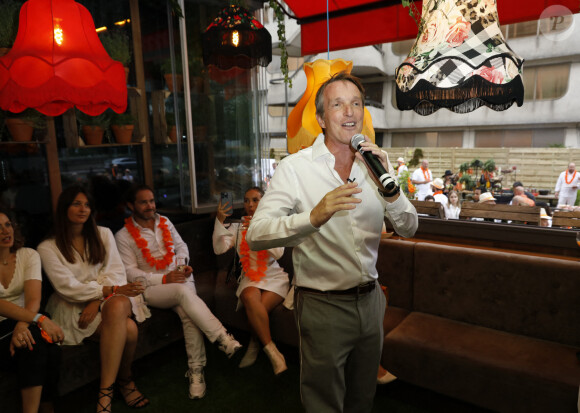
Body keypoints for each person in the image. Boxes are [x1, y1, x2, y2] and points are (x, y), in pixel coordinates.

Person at [246, 72, 418, 413]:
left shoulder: (374, 164)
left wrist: (390, 187)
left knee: (363, 396)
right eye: (337, 104)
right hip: (322, 306)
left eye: (356, 103)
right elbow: (256, 233)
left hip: (371, 303)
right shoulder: (295, 169)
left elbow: (410, 227)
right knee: (324, 401)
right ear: (322, 119)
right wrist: (313, 216)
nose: (349, 111)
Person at [115, 184, 242, 400]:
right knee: (184, 295)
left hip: (180, 278)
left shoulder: (164, 222)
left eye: (152, 201)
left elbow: (181, 247)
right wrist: (163, 278)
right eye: (144, 202)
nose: (150, 205)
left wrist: (182, 265)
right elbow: (129, 272)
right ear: (131, 205)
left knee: (188, 315)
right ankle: (222, 337)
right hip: (152, 288)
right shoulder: (123, 236)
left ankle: (196, 372)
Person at [37, 185, 150, 413]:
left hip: (106, 302)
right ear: (63, 208)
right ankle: (125, 381)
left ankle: (104, 393)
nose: (83, 209)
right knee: (129, 329)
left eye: (87, 204)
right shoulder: (47, 247)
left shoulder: (104, 234)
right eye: (76, 204)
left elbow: (116, 272)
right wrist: (103, 291)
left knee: (118, 303)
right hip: (71, 308)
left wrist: (97, 299)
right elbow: (67, 287)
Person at [212, 187, 290, 375]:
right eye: (246, 201)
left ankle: (254, 344)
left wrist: (258, 231)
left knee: (257, 309)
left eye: (255, 200)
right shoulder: (238, 228)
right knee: (248, 295)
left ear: (263, 202)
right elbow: (218, 249)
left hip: (274, 277)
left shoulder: (272, 225)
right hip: (250, 278)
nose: (250, 205)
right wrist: (220, 221)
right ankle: (273, 352)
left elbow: (278, 253)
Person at [0, 207, 63, 413]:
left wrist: (23, 324)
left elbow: (34, 298)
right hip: (2, 329)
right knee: (43, 344)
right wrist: (39, 319)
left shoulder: (28, 255)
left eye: (7, 224)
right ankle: (47, 407)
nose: (5, 231)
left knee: (39, 343)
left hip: (26, 321)